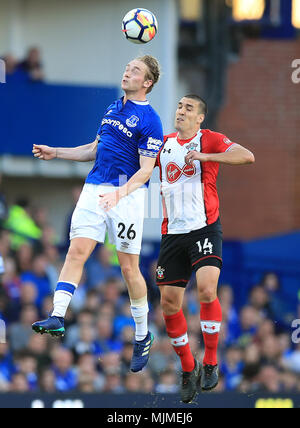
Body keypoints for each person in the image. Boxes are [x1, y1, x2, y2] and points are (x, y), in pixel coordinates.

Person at [31, 55, 164, 373]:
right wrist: (58, 152)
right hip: (94, 188)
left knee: (129, 268)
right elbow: (94, 149)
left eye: (135, 70)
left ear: (147, 83)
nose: (127, 71)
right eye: (127, 67)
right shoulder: (111, 108)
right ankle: (58, 316)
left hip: (127, 196)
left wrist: (119, 193)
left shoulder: (151, 120)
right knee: (77, 250)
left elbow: (146, 171)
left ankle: (143, 335)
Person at [155, 94, 255, 403]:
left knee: (207, 291)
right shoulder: (162, 143)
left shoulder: (208, 139)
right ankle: (188, 366)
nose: (181, 111)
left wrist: (206, 157)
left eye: (189, 108)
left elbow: (246, 156)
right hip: (172, 234)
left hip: (205, 227)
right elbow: (138, 167)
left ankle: (211, 359)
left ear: (200, 117)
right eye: (179, 106)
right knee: (169, 305)